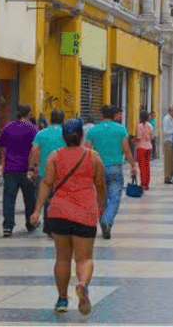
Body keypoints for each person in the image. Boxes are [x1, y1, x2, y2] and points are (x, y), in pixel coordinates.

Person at [29, 119, 107, 315]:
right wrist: (101, 206)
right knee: (84, 258)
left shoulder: (54, 156)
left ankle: (62, 300)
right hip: (85, 212)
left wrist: (37, 210)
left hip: (58, 212)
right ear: (82, 135)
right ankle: (82, 284)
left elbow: (46, 183)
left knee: (62, 258)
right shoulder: (93, 157)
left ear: (63, 137)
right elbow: (100, 185)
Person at [85, 104, 135, 240]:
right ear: (114, 115)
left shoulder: (93, 130)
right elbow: (126, 149)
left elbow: (87, 151)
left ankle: (104, 221)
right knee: (114, 197)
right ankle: (107, 221)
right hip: (115, 167)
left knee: (101, 197)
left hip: (98, 168)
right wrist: (133, 165)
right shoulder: (121, 129)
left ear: (102, 115)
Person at [0, 104, 39, 237]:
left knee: (9, 199)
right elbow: (35, 149)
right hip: (25, 169)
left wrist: (3, 164)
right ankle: (30, 223)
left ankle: (8, 226)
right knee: (29, 198)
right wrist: (33, 167)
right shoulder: (33, 129)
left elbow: (2, 147)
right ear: (29, 114)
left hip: (10, 169)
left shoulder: (8, 127)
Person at [30, 109, 66, 234]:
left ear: (50, 119)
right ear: (63, 120)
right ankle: (58, 225)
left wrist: (33, 166)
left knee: (45, 197)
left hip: (43, 171)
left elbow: (35, 151)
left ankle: (48, 226)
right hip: (62, 172)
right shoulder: (66, 134)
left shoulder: (41, 133)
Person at [135, 111, 153, 190]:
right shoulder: (149, 125)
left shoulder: (139, 126)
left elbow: (138, 137)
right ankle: (147, 183)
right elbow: (151, 136)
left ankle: (143, 183)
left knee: (142, 166)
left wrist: (133, 140)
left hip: (141, 147)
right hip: (148, 147)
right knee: (147, 166)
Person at [162, 106, 173, 184]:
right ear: (171, 111)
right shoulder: (166, 119)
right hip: (168, 141)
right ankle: (167, 177)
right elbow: (165, 131)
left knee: (172, 160)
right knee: (168, 160)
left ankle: (171, 176)